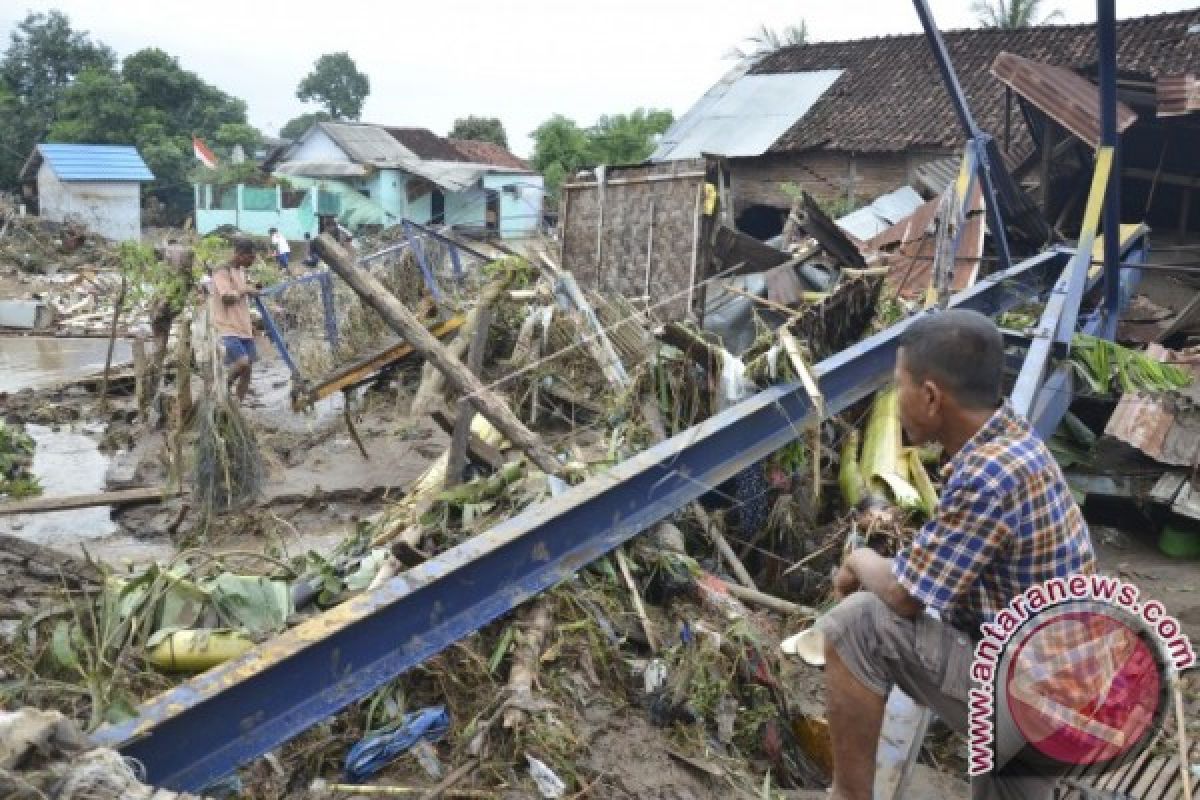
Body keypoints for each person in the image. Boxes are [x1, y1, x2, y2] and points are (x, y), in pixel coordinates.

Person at [817, 309, 1095, 800]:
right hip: (1066, 687)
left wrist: (858, 560)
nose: (895, 398)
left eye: (898, 384)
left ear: (930, 396)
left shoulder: (987, 475)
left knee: (856, 623)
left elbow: (904, 597)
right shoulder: (1011, 439)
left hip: (1036, 700)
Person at [210, 238, 259, 403]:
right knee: (242, 363)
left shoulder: (241, 271)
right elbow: (227, 297)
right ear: (239, 254)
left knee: (248, 370)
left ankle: (238, 405)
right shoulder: (222, 271)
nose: (252, 260)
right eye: (250, 257)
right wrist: (245, 290)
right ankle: (221, 390)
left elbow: (241, 292)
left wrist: (251, 288)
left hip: (244, 327)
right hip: (227, 327)